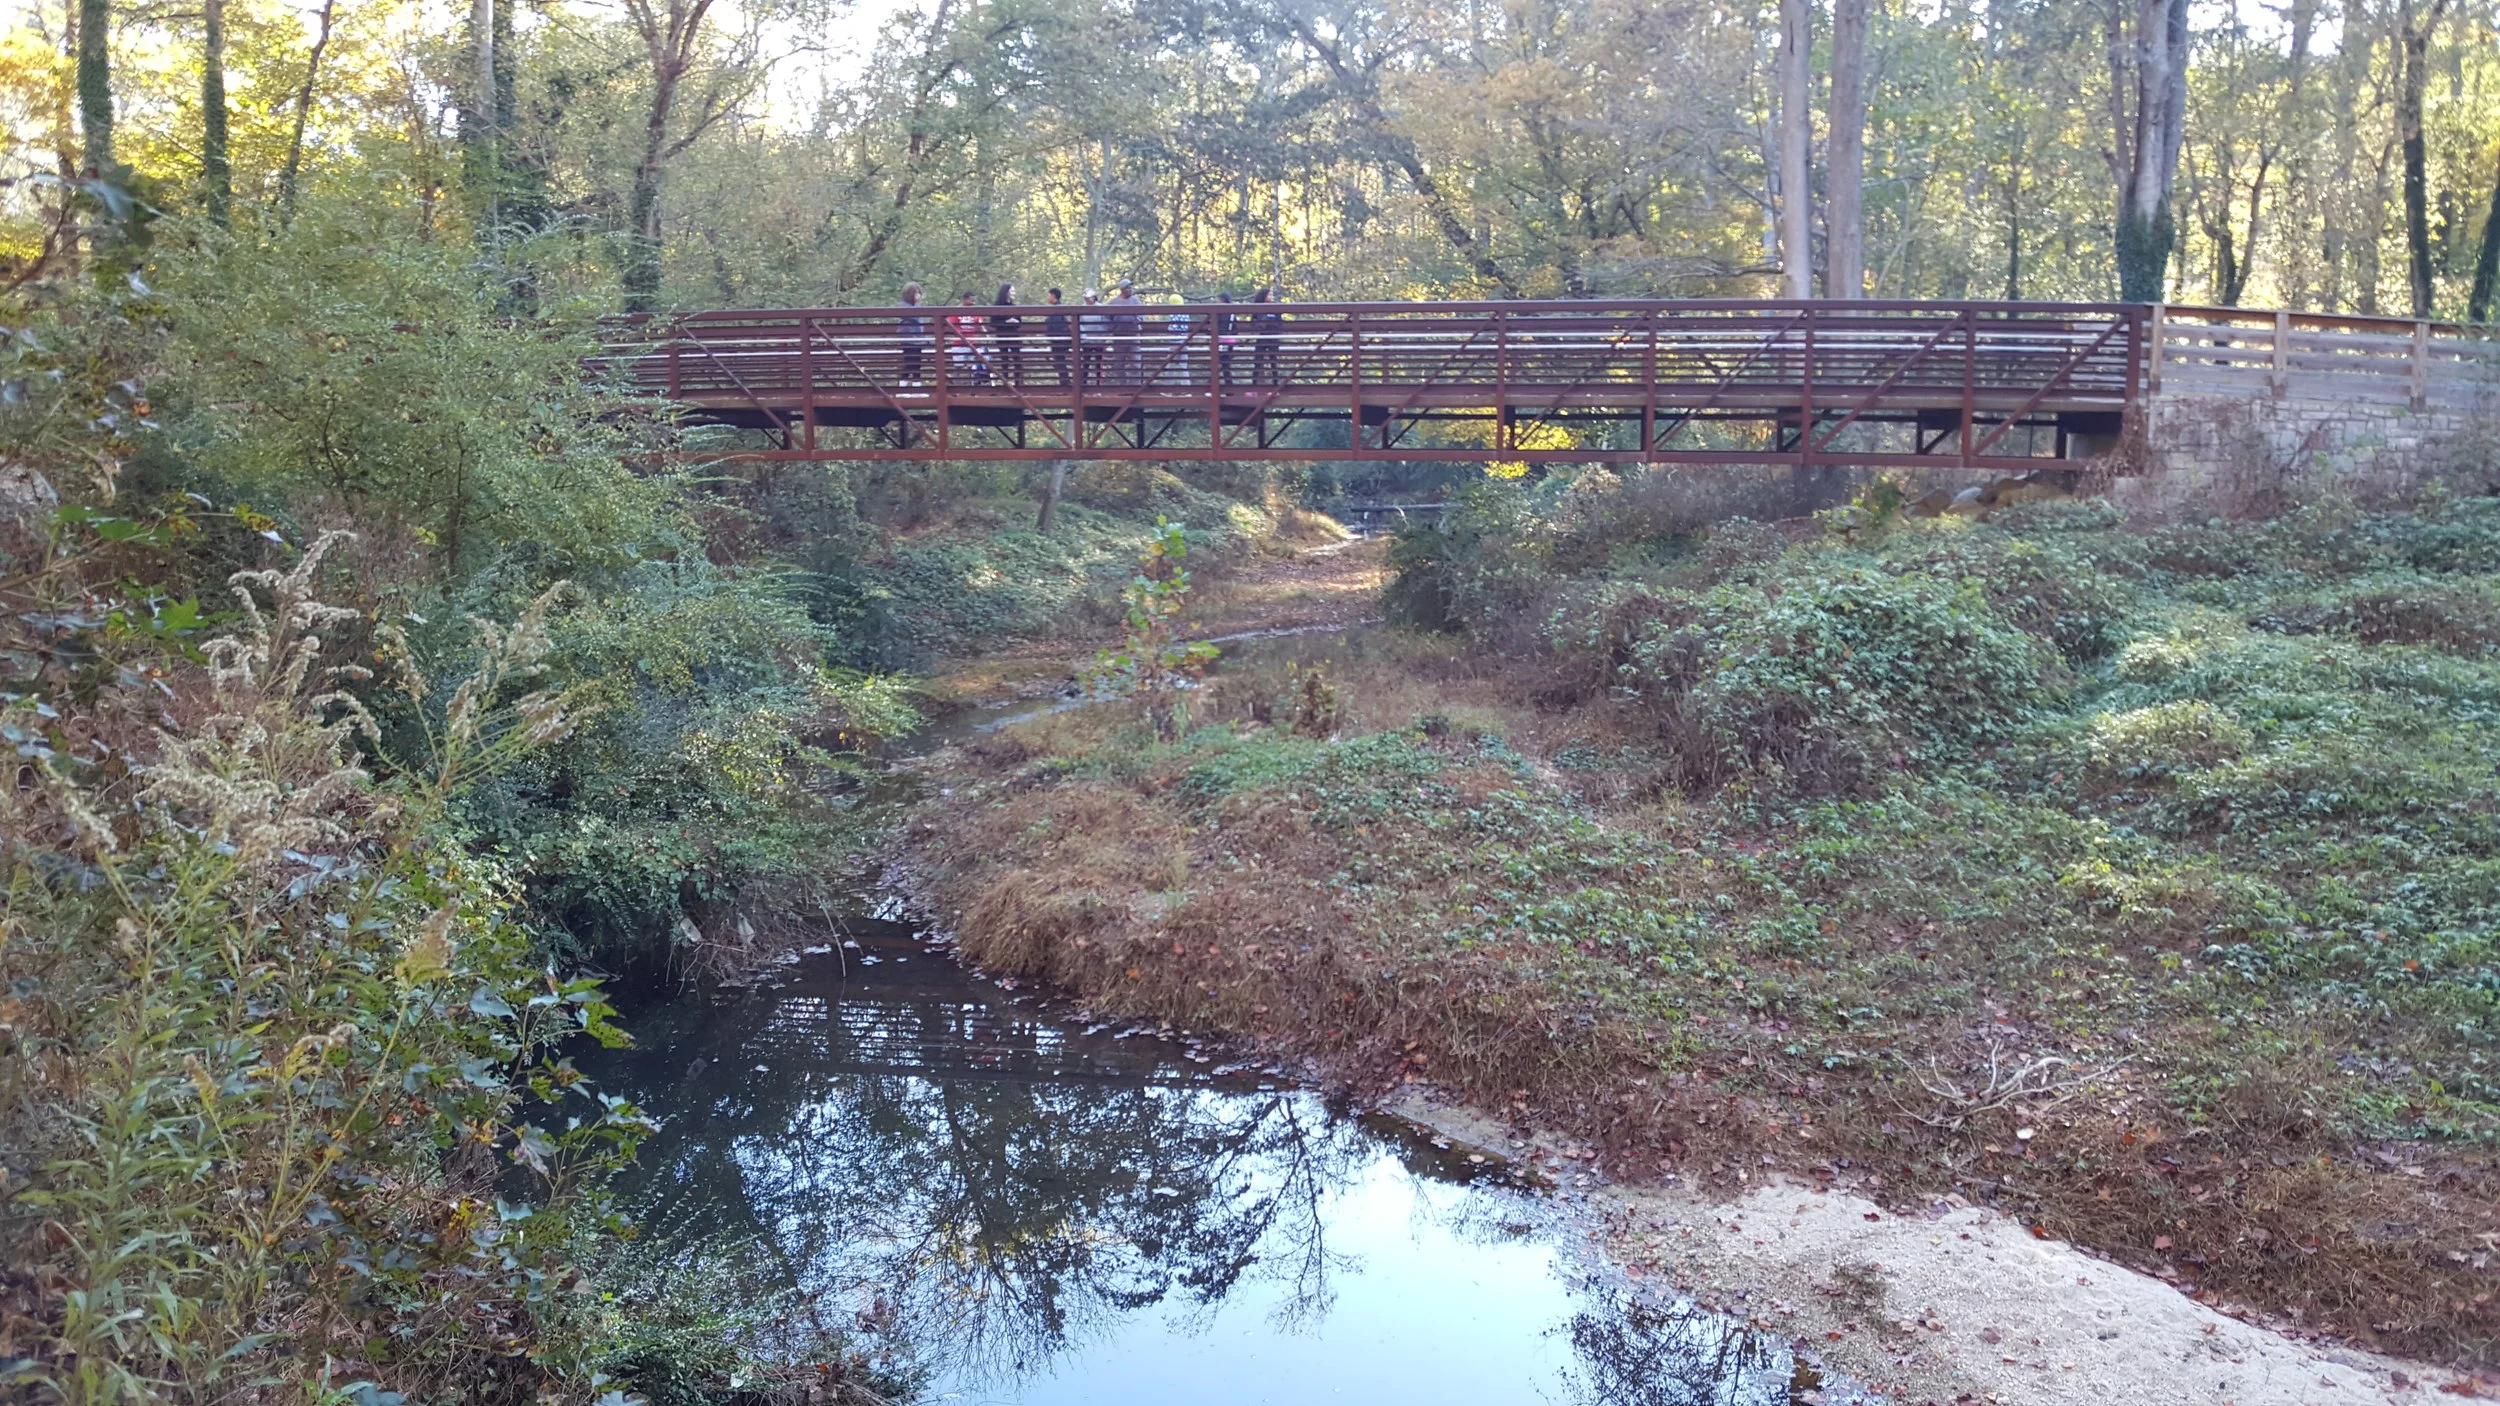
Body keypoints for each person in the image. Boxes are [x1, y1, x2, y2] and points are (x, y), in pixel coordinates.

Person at [946, 291, 990, 385]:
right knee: (958, 366)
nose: (973, 302)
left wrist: (986, 336)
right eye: (971, 300)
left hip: (972, 343)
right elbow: (951, 325)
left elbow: (981, 325)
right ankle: (957, 386)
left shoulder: (975, 311)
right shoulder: (956, 311)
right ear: (965, 299)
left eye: (974, 300)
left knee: (971, 366)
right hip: (959, 343)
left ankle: (971, 387)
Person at [1107, 279, 1144, 384]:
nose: (1131, 289)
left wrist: (1138, 319)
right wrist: (1112, 327)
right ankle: (1121, 386)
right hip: (1118, 336)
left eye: (1131, 287)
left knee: (1135, 361)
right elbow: (1106, 317)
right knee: (1118, 362)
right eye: (1128, 287)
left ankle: (1135, 386)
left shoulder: (1136, 300)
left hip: (1134, 335)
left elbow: (1142, 313)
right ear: (1122, 289)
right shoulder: (1113, 302)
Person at [989, 283, 1024, 386]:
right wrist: (1006, 322)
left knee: (1017, 359)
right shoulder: (997, 306)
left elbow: (1019, 322)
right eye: (1012, 291)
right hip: (1002, 336)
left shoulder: (1014, 307)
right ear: (1006, 292)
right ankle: (1006, 383)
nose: (1014, 293)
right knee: (1005, 360)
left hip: (1014, 336)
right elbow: (993, 322)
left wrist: (1015, 321)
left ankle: (1018, 383)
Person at [1251, 285, 1283, 387]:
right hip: (1261, 339)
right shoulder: (1257, 308)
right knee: (1257, 363)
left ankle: (1275, 387)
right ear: (1264, 296)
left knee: (1273, 363)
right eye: (1269, 294)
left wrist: (1270, 324)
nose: (1271, 296)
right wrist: (1260, 325)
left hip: (1273, 339)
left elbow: (1280, 324)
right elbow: (1253, 322)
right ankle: (1253, 387)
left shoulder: (1275, 308)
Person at [898, 282, 928, 385]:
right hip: (908, 339)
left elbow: (920, 324)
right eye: (917, 293)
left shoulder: (917, 306)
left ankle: (916, 387)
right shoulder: (903, 306)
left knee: (917, 364)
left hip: (918, 339)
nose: (919, 296)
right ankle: (903, 387)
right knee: (909, 363)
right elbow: (912, 318)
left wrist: (924, 338)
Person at [1078, 289, 1107, 387]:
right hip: (1087, 340)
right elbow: (1079, 324)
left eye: (1088, 298)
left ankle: (1099, 385)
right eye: (1085, 298)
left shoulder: (1101, 308)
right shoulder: (1081, 309)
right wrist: (1083, 336)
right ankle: (1083, 384)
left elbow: (1105, 323)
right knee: (1086, 363)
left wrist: (1103, 337)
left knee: (1098, 364)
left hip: (1099, 340)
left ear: (1094, 297)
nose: (1087, 300)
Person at [1042, 287, 1070, 386]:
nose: (1047, 297)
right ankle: (1064, 383)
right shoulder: (1057, 308)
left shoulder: (1057, 309)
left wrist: (1052, 336)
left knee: (1060, 363)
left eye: (1048, 295)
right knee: (1059, 363)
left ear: (1053, 295)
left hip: (1059, 341)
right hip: (1058, 341)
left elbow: (1057, 325)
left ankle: (1065, 384)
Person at [1213, 290, 1237, 385]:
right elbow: (1235, 329)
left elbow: (1217, 327)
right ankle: (1228, 386)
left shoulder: (1219, 313)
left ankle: (1214, 386)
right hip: (1230, 342)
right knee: (1226, 365)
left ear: (1222, 300)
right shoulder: (1232, 314)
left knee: (1218, 365)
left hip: (1220, 342)